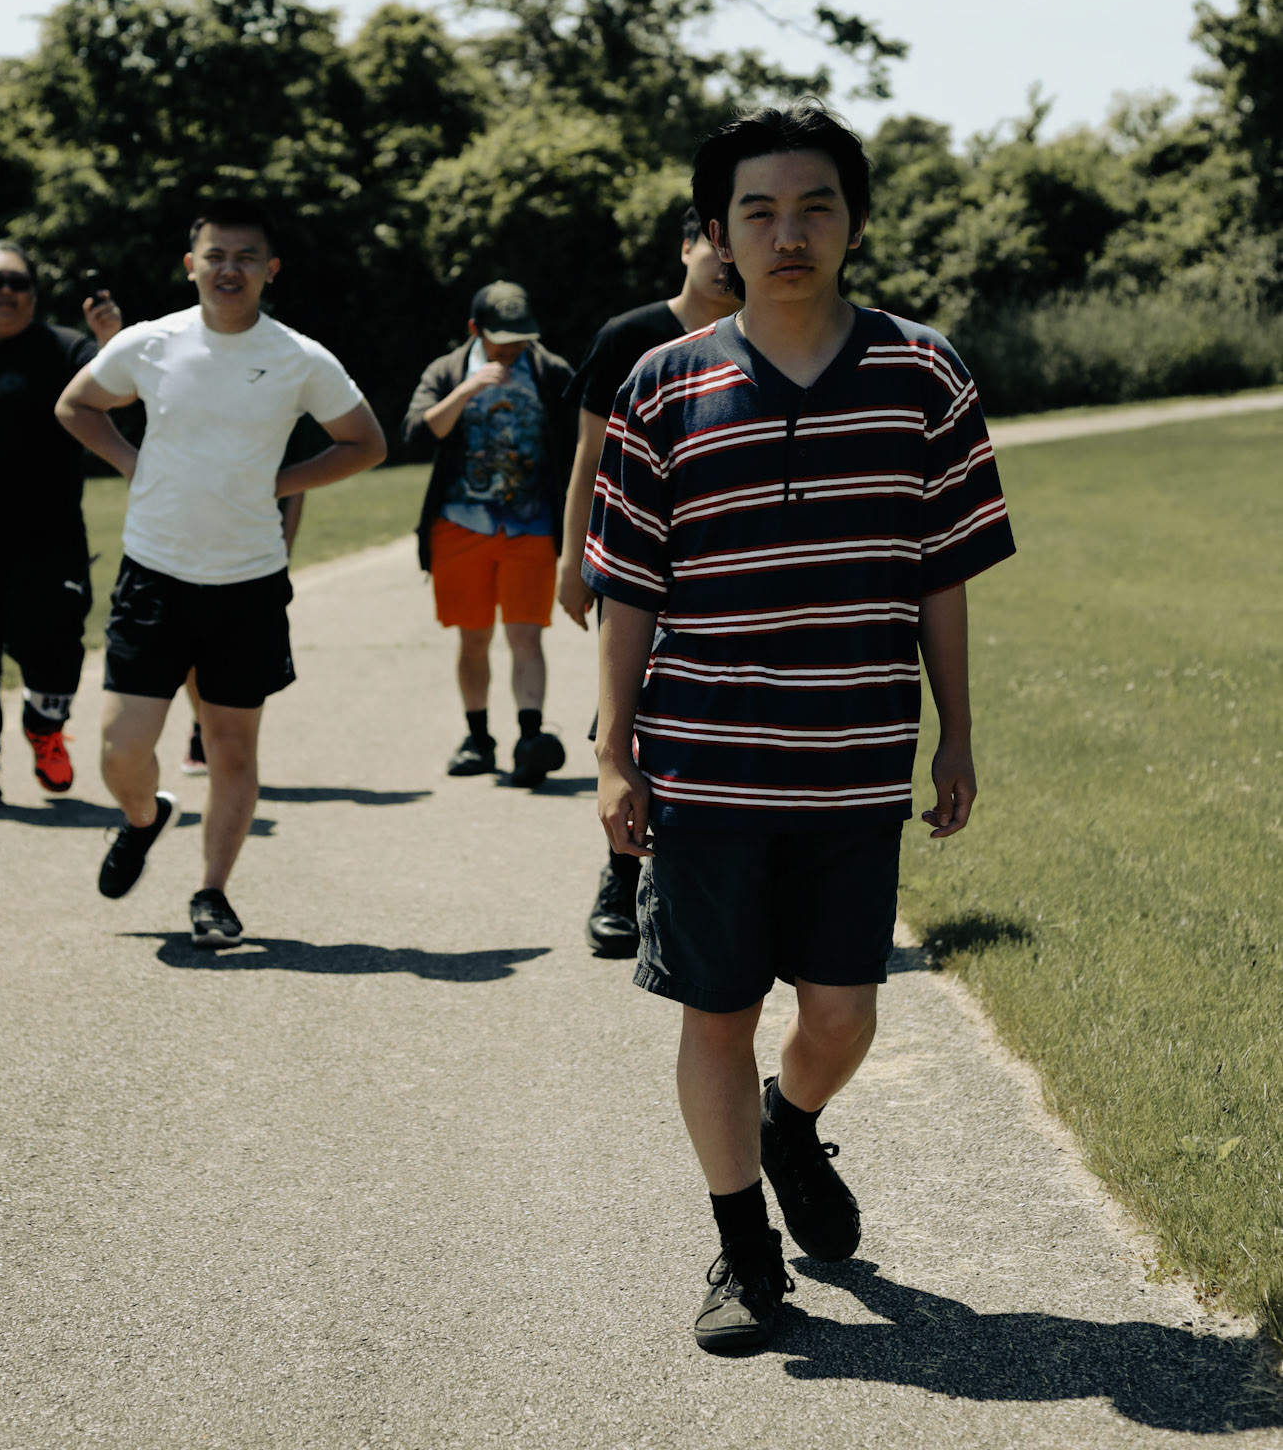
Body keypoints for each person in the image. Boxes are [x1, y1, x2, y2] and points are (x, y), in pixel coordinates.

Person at [583, 101, 1016, 1355]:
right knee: (713, 1008)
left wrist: (957, 733)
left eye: (815, 206)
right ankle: (743, 1248)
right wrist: (612, 751)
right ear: (716, 232)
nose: (788, 234)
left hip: (853, 763)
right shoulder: (662, 384)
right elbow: (629, 589)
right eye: (759, 211)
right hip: (707, 766)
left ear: (854, 223)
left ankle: (791, 1118)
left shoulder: (923, 373)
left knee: (843, 1014)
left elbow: (943, 571)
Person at [55, 200, 385, 948]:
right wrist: (134, 465)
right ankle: (144, 817)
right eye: (215, 255)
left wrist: (278, 482)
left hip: (247, 582)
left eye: (245, 257)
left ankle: (212, 892)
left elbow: (364, 443)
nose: (229, 269)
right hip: (155, 574)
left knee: (230, 747)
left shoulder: (300, 357)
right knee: (120, 750)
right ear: (191, 265)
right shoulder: (149, 343)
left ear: (271, 270)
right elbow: (77, 406)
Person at [557, 207, 741, 958]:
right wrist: (573, 562)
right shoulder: (628, 337)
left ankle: (716, 882)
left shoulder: (772, 333)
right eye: (712, 245)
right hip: (637, 564)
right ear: (687, 246)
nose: (725, 262)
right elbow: (588, 457)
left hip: (726, 569)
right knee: (626, 710)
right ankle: (620, 879)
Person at [0, 242, 122, 810]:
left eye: (19, 283)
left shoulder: (66, 349)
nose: (7, 292)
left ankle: (45, 727)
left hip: (47, 545)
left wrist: (112, 344)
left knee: (54, 650)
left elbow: (121, 397)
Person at [403, 281, 574, 787]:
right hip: (461, 526)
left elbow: (583, 437)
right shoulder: (447, 370)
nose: (511, 348)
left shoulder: (550, 371)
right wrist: (467, 389)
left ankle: (530, 741)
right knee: (473, 637)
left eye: (520, 338)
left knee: (526, 635)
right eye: (501, 339)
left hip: (531, 525)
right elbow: (417, 435)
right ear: (475, 329)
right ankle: (478, 739)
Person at [177, 416, 323, 775]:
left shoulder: (287, 395)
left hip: (255, 547)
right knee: (189, 648)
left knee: (241, 655)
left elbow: (297, 485)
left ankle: (226, 740)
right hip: (190, 534)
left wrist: (284, 551)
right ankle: (203, 726)